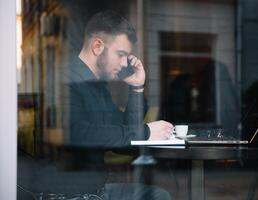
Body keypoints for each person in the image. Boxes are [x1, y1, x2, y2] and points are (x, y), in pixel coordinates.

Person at [57, 10, 173, 200]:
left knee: (157, 195)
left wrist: (137, 88)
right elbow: (79, 133)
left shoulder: (97, 87)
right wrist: (146, 132)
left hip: (96, 191)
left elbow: (124, 141)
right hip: (73, 195)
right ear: (97, 46)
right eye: (121, 54)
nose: (123, 63)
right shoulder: (67, 80)